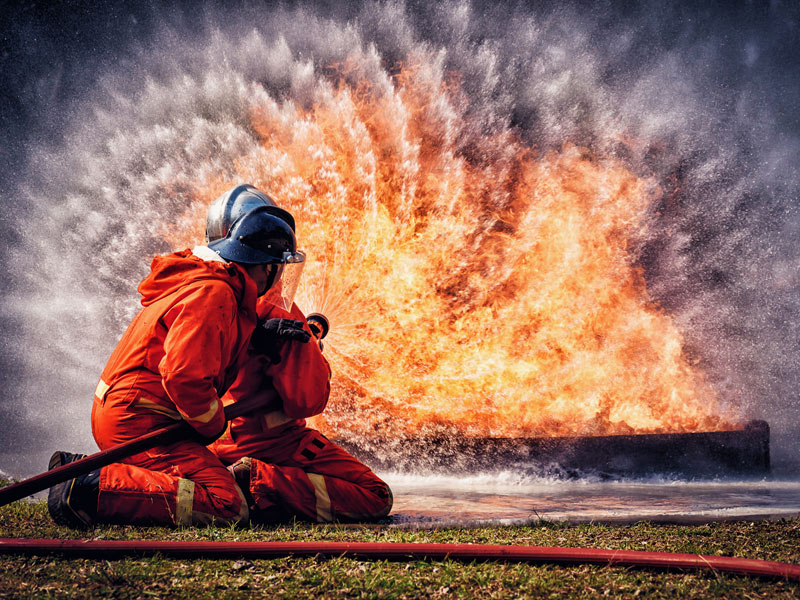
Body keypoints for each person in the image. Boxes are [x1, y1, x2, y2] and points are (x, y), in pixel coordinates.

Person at [48, 204, 304, 527]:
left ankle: (87, 471)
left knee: (204, 481)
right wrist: (213, 423)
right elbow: (184, 376)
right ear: (265, 266)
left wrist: (256, 338)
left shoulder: (205, 281)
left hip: (126, 412)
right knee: (228, 504)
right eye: (277, 268)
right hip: (140, 422)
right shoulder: (217, 293)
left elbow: (199, 340)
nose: (278, 278)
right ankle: (89, 487)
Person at [204, 184, 393, 523]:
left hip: (214, 443)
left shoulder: (207, 298)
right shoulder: (280, 312)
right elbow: (306, 402)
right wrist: (313, 356)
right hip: (274, 444)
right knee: (374, 496)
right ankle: (255, 482)